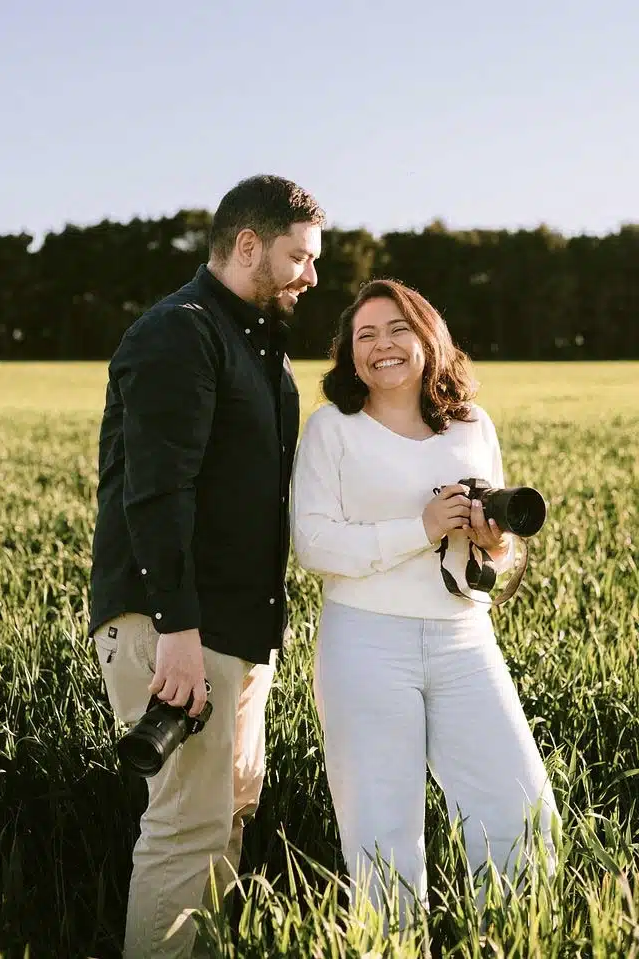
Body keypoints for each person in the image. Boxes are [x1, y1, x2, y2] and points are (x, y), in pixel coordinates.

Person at [89, 174, 325, 958]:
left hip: (237, 631)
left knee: (228, 815)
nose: (311, 277)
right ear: (248, 245)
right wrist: (177, 630)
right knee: (186, 825)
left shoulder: (261, 353)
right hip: (179, 629)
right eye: (300, 257)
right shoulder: (180, 333)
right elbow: (156, 494)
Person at [291, 278, 558, 923]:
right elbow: (314, 544)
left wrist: (493, 543)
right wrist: (422, 528)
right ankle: (393, 942)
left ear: (427, 337)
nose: (383, 346)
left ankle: (516, 937)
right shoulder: (333, 429)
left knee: (521, 809)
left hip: (465, 638)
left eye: (398, 330)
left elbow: (497, 555)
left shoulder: (471, 425)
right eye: (365, 336)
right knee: (382, 831)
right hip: (366, 643)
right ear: (349, 353)